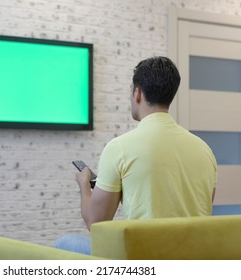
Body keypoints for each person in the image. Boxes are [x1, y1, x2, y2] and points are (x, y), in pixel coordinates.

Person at [55, 56, 217, 255]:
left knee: (64, 242)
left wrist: (84, 185)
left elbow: (96, 223)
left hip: (144, 260)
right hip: (193, 261)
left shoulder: (119, 148)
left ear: (137, 93)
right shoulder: (204, 150)